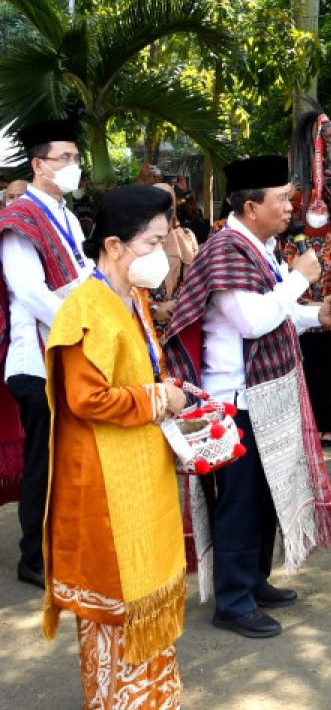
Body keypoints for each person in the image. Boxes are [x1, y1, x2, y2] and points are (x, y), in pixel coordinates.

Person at [163, 155, 331, 639]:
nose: (292, 206)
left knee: (263, 499)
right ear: (249, 206)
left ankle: (254, 581)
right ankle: (233, 600)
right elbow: (252, 321)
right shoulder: (226, 249)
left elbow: (278, 316)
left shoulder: (259, 245)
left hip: (261, 397)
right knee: (239, 503)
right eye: (282, 198)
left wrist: (316, 317)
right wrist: (302, 278)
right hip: (231, 402)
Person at [42, 184, 187, 707]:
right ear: (114, 246)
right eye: (152, 242)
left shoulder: (134, 298)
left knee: (148, 604)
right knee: (117, 611)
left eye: (164, 241)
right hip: (104, 487)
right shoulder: (86, 308)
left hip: (141, 474)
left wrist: (172, 401)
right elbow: (86, 398)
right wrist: (157, 399)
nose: (162, 255)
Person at [0, 119, 93, 590]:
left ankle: (61, 546)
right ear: (39, 165)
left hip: (68, 354)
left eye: (77, 159)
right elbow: (29, 292)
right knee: (45, 461)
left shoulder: (69, 218)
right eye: (65, 159)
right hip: (35, 360)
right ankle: (33, 559)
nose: (74, 167)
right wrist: (82, 321)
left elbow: (79, 276)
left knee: (67, 459)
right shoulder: (19, 219)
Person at [280, 202, 331, 444]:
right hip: (302, 319)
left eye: (323, 209)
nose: (318, 213)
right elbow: (287, 278)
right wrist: (309, 306)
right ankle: (309, 426)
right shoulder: (292, 243)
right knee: (308, 374)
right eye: (314, 208)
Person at [144, 182, 199, 339]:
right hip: (146, 320)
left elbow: (195, 278)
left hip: (179, 319)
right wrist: (153, 309)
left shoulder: (186, 236)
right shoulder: (136, 238)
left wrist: (174, 305)